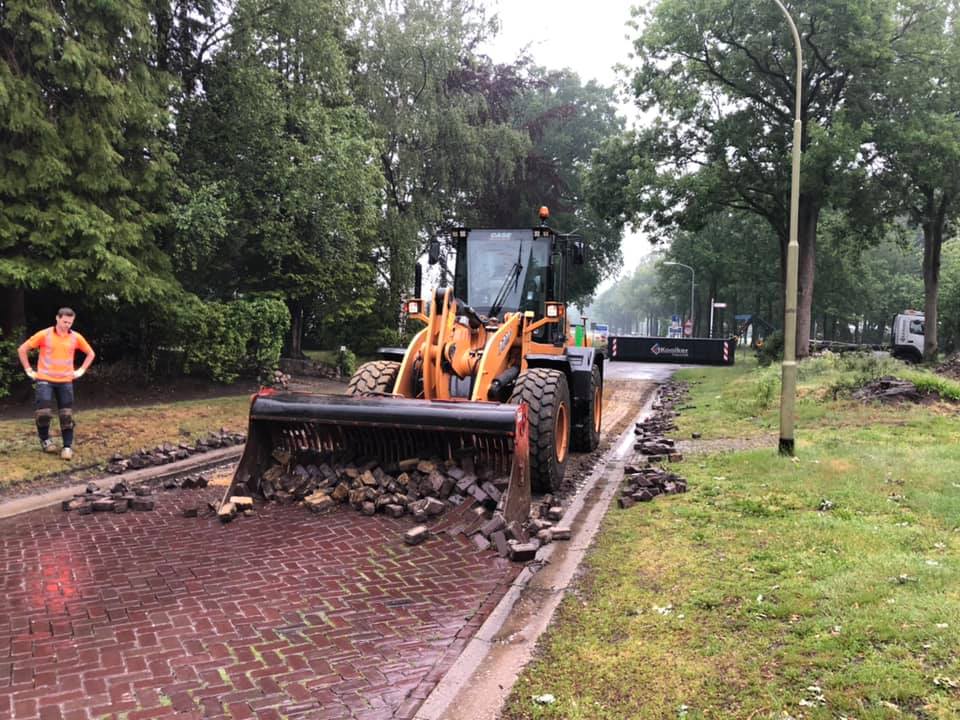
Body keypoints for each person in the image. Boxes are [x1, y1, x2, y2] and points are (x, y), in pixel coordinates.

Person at [17, 308, 96, 460]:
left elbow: (91, 353)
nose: (67, 325)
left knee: (66, 415)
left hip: (65, 381)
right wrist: (28, 369)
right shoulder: (44, 335)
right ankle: (46, 440)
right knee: (44, 414)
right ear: (57, 319)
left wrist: (81, 370)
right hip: (45, 379)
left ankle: (67, 447)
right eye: (65, 321)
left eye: (70, 322)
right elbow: (22, 349)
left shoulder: (75, 337)